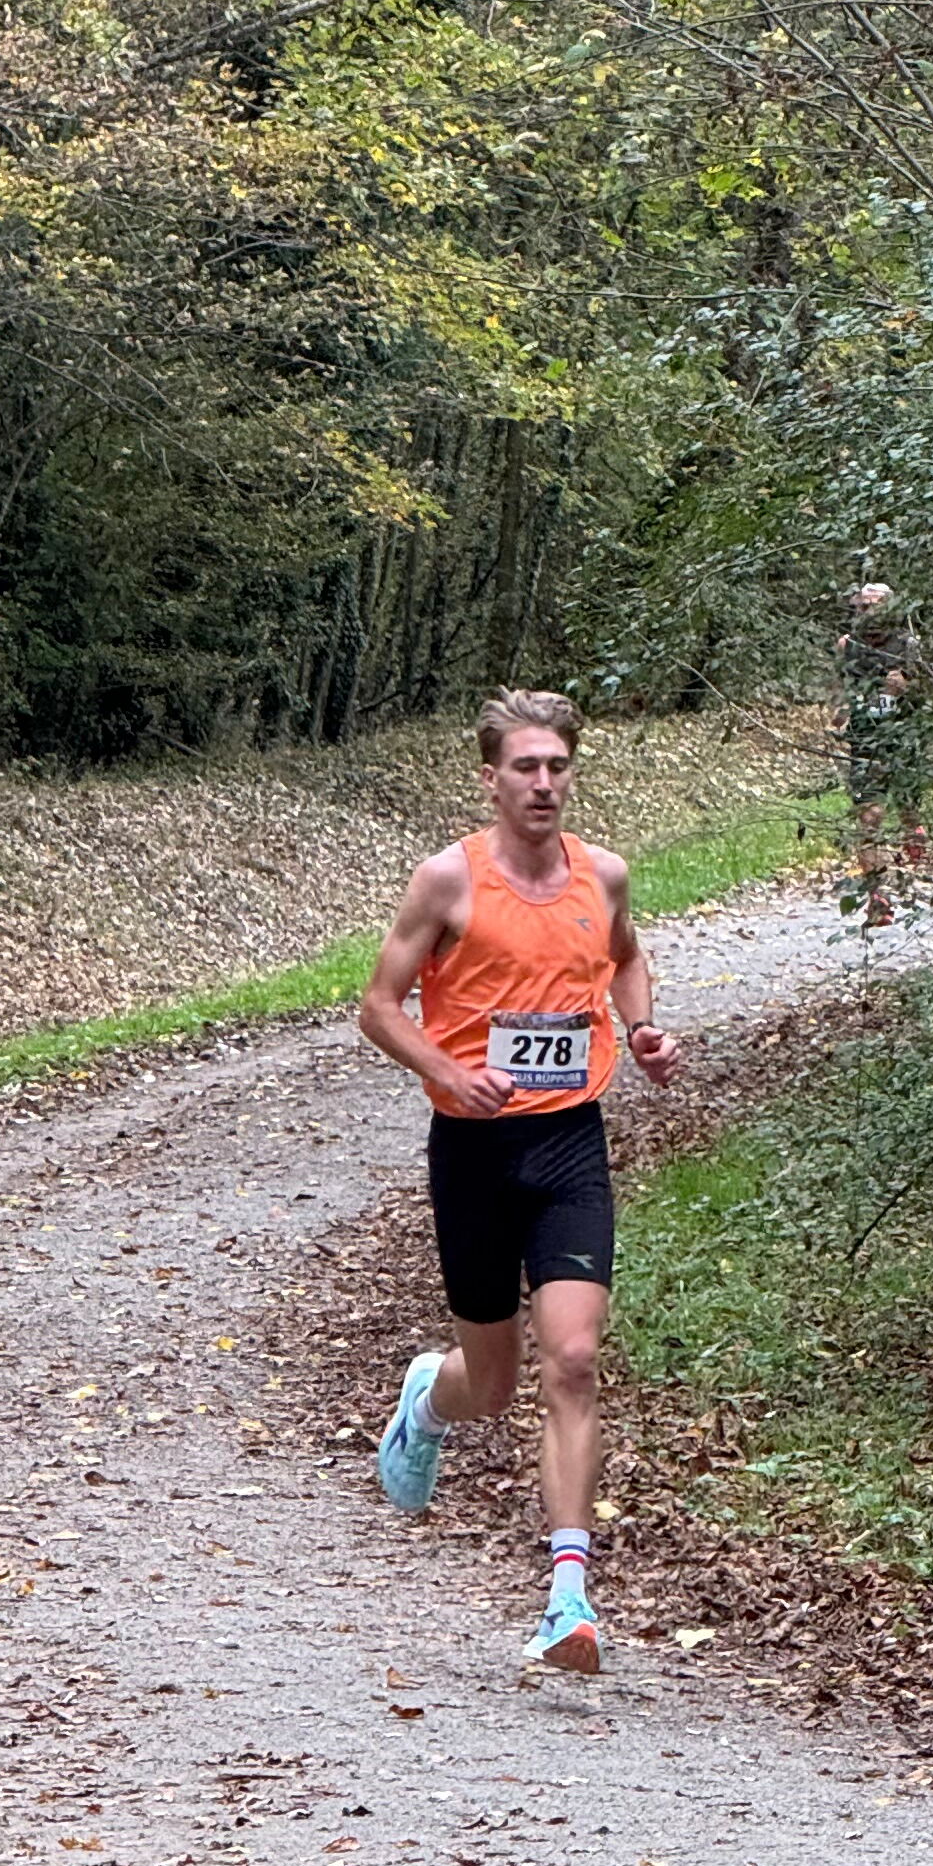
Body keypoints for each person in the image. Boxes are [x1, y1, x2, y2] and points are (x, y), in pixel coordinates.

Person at [360, 689, 681, 1671]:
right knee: (491, 1385)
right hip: (473, 1151)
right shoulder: (447, 881)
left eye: (557, 767)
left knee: (573, 1359)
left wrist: (641, 1029)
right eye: (524, 768)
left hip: (569, 1142)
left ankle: (569, 1599)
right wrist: (450, 1072)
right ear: (491, 779)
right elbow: (379, 1006)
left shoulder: (604, 875)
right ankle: (429, 1399)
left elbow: (625, 958)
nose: (543, 784)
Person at [839, 577, 931, 929]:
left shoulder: (909, 645)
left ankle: (915, 831)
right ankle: (877, 897)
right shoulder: (847, 645)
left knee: (907, 807)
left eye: (874, 606)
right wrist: (840, 712)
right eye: (861, 607)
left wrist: (907, 686)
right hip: (865, 742)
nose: (866, 613)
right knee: (869, 818)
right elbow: (840, 685)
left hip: (903, 739)